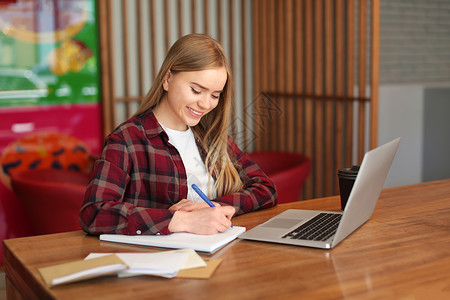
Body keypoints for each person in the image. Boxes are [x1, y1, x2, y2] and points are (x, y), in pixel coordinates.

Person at [79, 33, 277, 236]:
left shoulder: (212, 138)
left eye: (215, 95)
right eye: (196, 90)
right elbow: (94, 212)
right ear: (167, 79)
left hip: (220, 252)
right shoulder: (127, 139)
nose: (206, 104)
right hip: (159, 261)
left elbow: (266, 189)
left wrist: (217, 207)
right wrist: (181, 220)